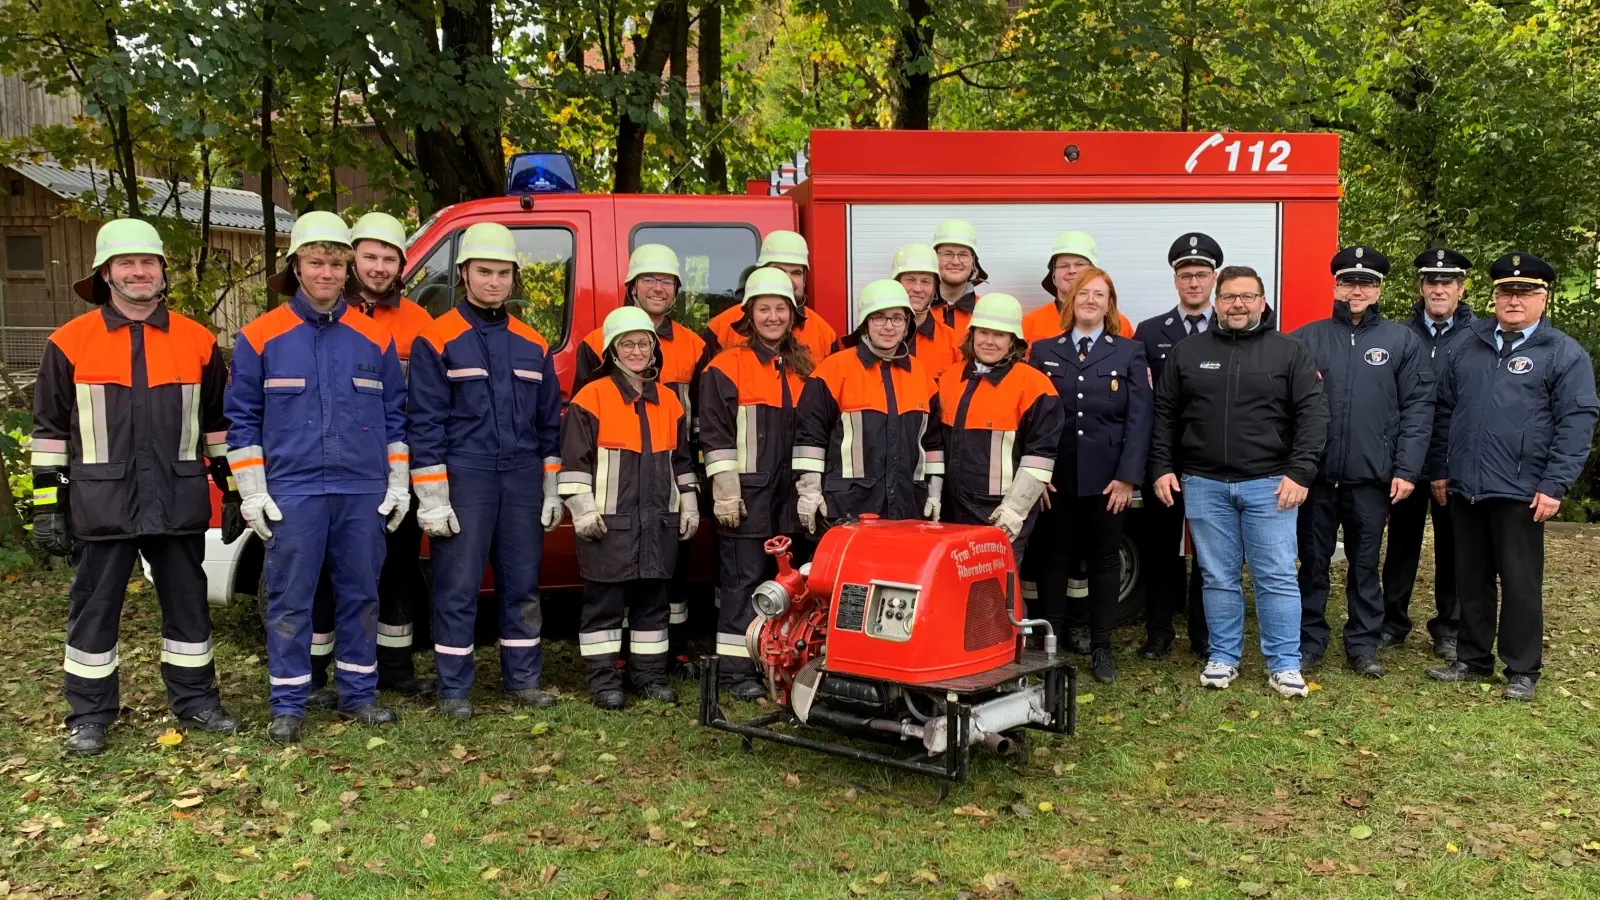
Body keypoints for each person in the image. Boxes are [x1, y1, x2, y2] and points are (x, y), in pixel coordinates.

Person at [33, 219, 241, 755]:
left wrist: (234, 490)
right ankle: (88, 715)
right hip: (102, 502)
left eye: (148, 262)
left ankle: (197, 701)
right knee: (94, 610)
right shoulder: (69, 343)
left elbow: (218, 427)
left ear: (163, 272)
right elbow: (50, 433)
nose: (138, 271)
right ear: (105, 274)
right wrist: (47, 506)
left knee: (189, 606)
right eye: (126, 263)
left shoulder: (198, 341)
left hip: (177, 499)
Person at [227, 212, 408, 743]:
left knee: (361, 595)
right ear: (296, 267)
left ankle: (359, 695)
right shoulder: (260, 337)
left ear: (347, 270)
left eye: (335, 264)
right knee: (289, 600)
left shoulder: (374, 338)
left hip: (362, 490)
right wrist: (252, 492)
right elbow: (242, 421)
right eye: (315, 263)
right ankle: (289, 702)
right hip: (293, 490)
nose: (326, 274)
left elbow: (396, 418)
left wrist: (398, 484)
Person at [408, 222, 564, 720]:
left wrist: (551, 487)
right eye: (484, 272)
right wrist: (433, 498)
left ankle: (523, 681)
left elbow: (549, 424)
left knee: (522, 584)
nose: (494, 282)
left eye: (502, 273)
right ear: (463, 274)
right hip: (465, 475)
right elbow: (425, 422)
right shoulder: (436, 338)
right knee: (457, 586)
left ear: (514, 277)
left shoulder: (533, 343)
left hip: (521, 477)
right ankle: (454, 688)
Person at [1425, 252, 1598, 702]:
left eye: (1525, 292)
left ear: (1544, 297)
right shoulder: (1469, 344)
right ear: (1494, 296)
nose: (1514, 300)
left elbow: (1576, 422)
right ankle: (1472, 658)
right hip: (1466, 485)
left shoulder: (1562, 353)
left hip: (1522, 489)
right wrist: (1441, 469)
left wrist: (1555, 484)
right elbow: (1443, 412)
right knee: (1471, 577)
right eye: (1506, 292)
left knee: (1520, 582)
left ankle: (1521, 669)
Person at [1149, 265, 1327, 698]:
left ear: (1262, 302)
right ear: (1216, 301)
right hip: (1203, 483)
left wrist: (1300, 472)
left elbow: (1313, 414)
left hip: (1271, 485)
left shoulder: (1289, 351)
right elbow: (1165, 414)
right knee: (1216, 576)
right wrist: (1162, 466)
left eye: (1247, 296)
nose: (1237, 305)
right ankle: (1223, 657)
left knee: (1276, 576)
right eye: (1229, 297)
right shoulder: (1188, 352)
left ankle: (1284, 664)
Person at [294, 212, 436, 708]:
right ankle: (314, 674)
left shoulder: (419, 323)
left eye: (389, 258)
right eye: (369, 256)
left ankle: (394, 669)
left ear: (402, 265)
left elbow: (422, 405)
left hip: (396, 467)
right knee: (324, 574)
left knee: (397, 569)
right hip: (333, 467)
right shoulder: (322, 310)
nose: (378, 267)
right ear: (351, 259)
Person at [1291, 246, 1434, 678]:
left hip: (1372, 479)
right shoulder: (1305, 338)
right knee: (1312, 564)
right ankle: (1309, 642)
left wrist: (1406, 469)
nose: (1357, 290)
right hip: (1316, 479)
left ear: (1379, 290)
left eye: (1366, 283)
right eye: (1348, 282)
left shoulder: (1402, 341)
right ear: (1335, 286)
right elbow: (1285, 408)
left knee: (1365, 567)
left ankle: (1363, 644)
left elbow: (1418, 409)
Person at [574, 244, 706, 671]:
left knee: (665, 578)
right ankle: (613, 665)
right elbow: (583, 430)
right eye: (648, 279)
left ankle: (666, 658)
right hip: (617, 491)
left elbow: (696, 424)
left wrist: (689, 493)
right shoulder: (594, 348)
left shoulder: (694, 346)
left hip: (665, 481)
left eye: (666, 280)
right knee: (612, 583)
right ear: (632, 286)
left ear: (676, 290)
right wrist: (582, 502)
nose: (657, 288)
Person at [560, 307, 700, 709]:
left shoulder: (669, 401)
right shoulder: (592, 398)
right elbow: (574, 463)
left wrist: (689, 503)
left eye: (643, 344)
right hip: (608, 526)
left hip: (658, 524)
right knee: (603, 607)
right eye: (627, 344)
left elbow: (681, 462)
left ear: (655, 350)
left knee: (652, 606)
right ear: (612, 351)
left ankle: (648, 676)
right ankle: (604, 682)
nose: (637, 351)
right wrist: (582, 509)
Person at [1027, 269, 1151, 683]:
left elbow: (1139, 419)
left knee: (1103, 560)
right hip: (1056, 476)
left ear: (1109, 304)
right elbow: (1031, 416)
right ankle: (1051, 648)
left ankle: (1101, 647)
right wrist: (1037, 473)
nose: (1091, 300)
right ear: (1070, 300)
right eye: (1084, 293)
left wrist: (1128, 477)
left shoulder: (1129, 352)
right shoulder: (1043, 350)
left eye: (1100, 294)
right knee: (1054, 558)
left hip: (1108, 480)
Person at [699, 267, 814, 700]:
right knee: (742, 585)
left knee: (792, 585)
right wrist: (727, 495)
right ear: (749, 315)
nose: (773, 317)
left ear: (793, 314)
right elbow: (715, 438)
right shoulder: (726, 366)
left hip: (791, 499)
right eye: (764, 309)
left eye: (781, 309)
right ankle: (736, 673)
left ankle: (782, 663)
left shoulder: (806, 367)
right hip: (747, 499)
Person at [1379, 248, 1476, 660]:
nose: (1439, 289)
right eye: (1431, 282)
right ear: (1421, 287)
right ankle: (1392, 623)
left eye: (1447, 282)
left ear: (1461, 289)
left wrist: (1447, 464)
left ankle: (1449, 628)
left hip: (1454, 463)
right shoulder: (1397, 334)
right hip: (1405, 461)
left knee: (1453, 548)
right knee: (1400, 546)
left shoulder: (1479, 338)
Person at [1132, 233, 1222, 660]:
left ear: (1214, 279)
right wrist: (1156, 463)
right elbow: (1143, 403)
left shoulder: (1231, 327)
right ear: (1175, 280)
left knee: (1210, 551)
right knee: (1161, 549)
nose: (1194, 282)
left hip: (1214, 459)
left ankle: (1204, 633)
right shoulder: (1150, 332)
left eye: (1201, 274)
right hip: (1165, 459)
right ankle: (1159, 631)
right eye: (1186, 275)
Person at [794, 280, 944, 531]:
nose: (889, 326)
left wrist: (934, 493)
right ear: (865, 322)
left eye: (897, 318)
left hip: (908, 508)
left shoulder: (921, 375)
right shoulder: (833, 370)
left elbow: (933, 442)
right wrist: (809, 492)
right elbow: (810, 438)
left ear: (907, 324)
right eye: (879, 317)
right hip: (849, 511)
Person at [937, 293, 1063, 554]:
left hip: (1001, 513)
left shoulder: (1035, 386)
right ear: (972, 334)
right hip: (953, 512)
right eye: (983, 332)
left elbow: (1040, 457)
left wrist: (1014, 511)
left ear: (1013, 340)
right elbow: (935, 442)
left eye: (999, 335)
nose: (989, 341)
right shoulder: (949, 379)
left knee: (999, 581)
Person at [702, 230, 839, 364]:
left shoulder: (825, 336)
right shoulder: (721, 328)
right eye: (778, 270)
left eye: (796, 273)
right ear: (760, 273)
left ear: (804, 280)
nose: (787, 280)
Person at [1023, 231, 1133, 345]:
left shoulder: (1120, 324)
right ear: (1053, 275)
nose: (1072, 271)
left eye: (1080, 264)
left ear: (1094, 271)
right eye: (1064, 265)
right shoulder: (1031, 323)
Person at [893, 242, 962, 381]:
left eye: (925, 281)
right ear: (896, 283)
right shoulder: (879, 336)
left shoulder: (952, 341)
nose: (917, 289)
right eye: (910, 280)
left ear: (935, 287)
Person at [930, 219, 986, 335]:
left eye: (963, 255)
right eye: (947, 254)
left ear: (973, 262)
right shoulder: (915, 311)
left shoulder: (986, 311)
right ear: (935, 259)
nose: (955, 262)